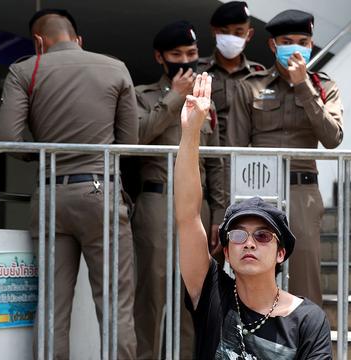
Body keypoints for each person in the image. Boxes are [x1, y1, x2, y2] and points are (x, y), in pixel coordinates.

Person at [0, 9, 138, 359]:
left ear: (39, 42)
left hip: (49, 195)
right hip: (100, 191)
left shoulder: (25, 69)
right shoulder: (115, 67)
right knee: (115, 306)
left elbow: (8, 138)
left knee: (51, 309)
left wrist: (44, 155)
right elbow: (130, 141)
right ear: (78, 39)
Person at [175, 72, 332, 360]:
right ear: (226, 250)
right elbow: (187, 215)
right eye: (238, 235)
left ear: (281, 252)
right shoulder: (212, 295)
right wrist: (191, 132)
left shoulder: (308, 321)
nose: (249, 243)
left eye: (262, 236)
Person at [227, 9, 344, 306]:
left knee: (305, 284)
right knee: (252, 281)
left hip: (301, 194)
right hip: (257, 193)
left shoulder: (323, 87)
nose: (296, 47)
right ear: (273, 45)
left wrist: (303, 86)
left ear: (311, 45)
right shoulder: (250, 86)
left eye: (303, 41)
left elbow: (333, 138)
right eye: (288, 41)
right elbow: (235, 149)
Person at [133, 20, 225, 359]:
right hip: (157, 202)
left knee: (194, 297)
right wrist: (173, 98)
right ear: (160, 57)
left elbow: (215, 163)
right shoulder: (143, 96)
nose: (186, 60)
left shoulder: (207, 103)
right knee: (152, 297)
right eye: (176, 54)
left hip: (197, 207)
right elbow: (135, 137)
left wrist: (218, 214)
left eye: (192, 53)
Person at [198, 1, 265, 256]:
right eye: (226, 31)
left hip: (247, 179)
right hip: (207, 179)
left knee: (248, 262)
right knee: (203, 269)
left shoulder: (260, 76)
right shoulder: (198, 73)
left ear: (249, 34)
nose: (232, 38)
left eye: (239, 32)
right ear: (215, 31)